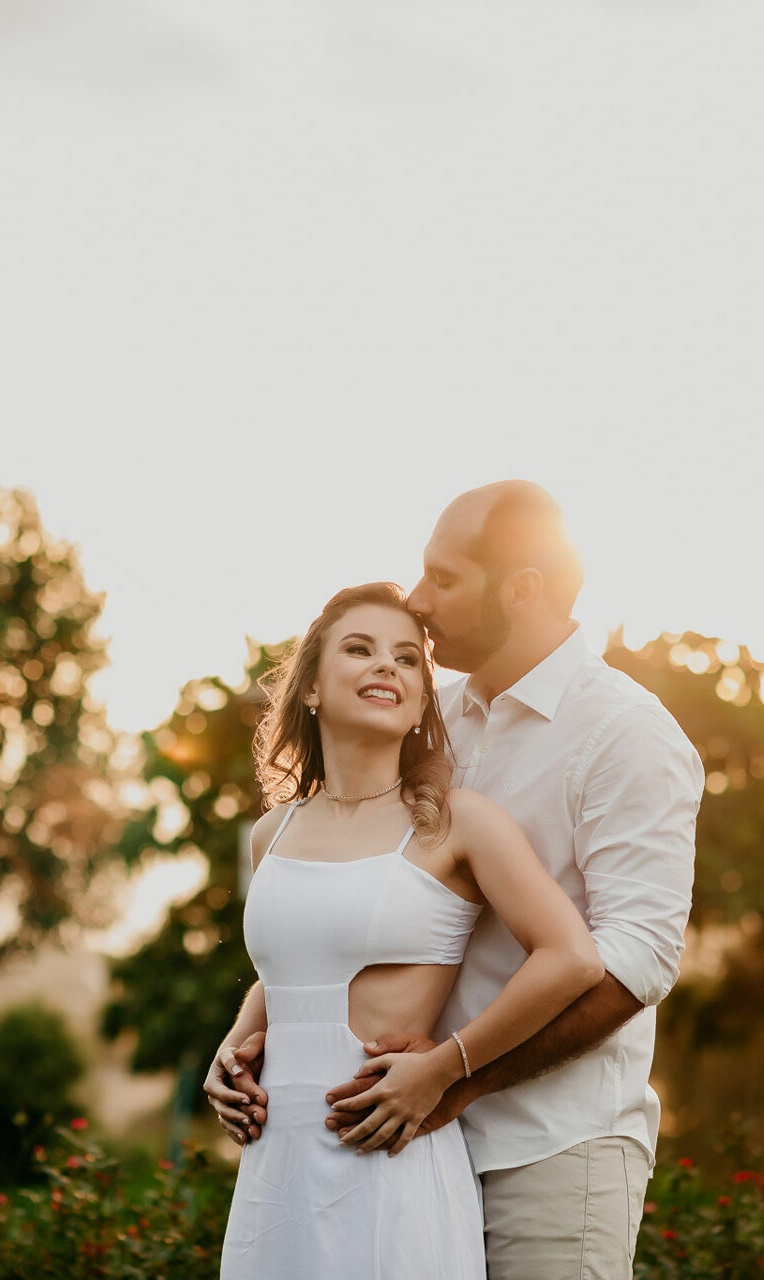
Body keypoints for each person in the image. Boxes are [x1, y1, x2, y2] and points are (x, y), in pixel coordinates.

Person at [212, 481, 704, 1280]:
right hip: (404, 1136)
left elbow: (636, 960)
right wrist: (249, 1040)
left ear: (522, 591)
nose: (416, 600)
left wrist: (455, 1075)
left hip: (551, 1144)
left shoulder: (627, 734)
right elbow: (338, 909)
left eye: (443, 578)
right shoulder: (429, 717)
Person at [210, 580, 605, 1280]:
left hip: (389, 1159)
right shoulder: (271, 833)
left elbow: (571, 958)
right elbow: (288, 971)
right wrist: (233, 1050)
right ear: (310, 688)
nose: (387, 666)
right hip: (276, 1171)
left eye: (408, 659)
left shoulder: (458, 822)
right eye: (359, 649)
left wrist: (448, 1065)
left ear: (424, 698)